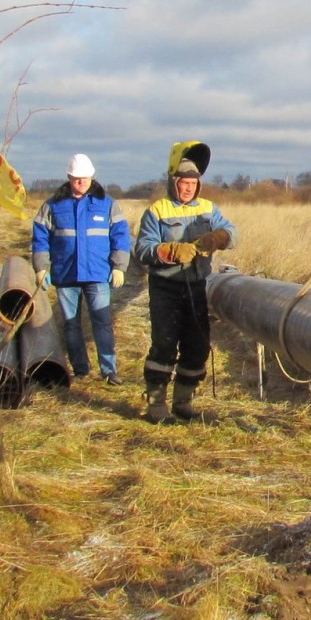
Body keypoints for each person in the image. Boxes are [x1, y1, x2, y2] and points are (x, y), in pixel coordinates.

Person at [132, 141, 236, 423]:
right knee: (164, 345)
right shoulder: (158, 211)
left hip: (196, 285)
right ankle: (156, 404)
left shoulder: (207, 209)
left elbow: (231, 231)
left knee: (197, 346)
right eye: (183, 182)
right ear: (173, 182)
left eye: (193, 182)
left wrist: (219, 237)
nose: (188, 187)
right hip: (166, 287)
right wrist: (169, 251)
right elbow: (142, 249)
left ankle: (183, 402)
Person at [31, 153, 132, 384]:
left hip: (97, 274)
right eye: (76, 178)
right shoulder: (52, 205)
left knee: (102, 322)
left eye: (85, 178)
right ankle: (80, 369)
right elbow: (40, 238)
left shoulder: (107, 204)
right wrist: (41, 267)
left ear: (92, 177)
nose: (81, 183)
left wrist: (119, 266)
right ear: (69, 177)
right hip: (66, 275)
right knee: (71, 325)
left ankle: (109, 371)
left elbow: (121, 237)